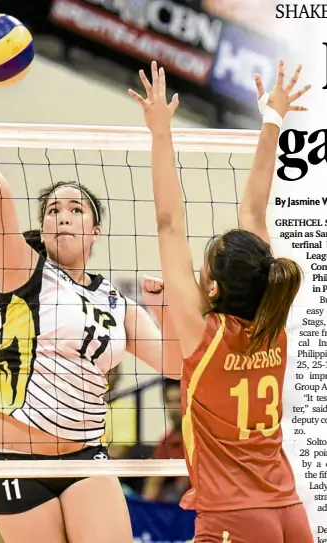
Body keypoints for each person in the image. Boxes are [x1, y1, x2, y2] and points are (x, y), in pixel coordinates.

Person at [0, 113, 182, 543]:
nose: (62, 216)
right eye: (53, 210)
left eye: (76, 210)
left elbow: (174, 362)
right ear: (43, 227)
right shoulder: (23, 271)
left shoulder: (117, 302)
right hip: (12, 457)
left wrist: (165, 309)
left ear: (94, 231)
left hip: (84, 456)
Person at [129, 60, 314, 542]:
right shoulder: (273, 318)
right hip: (288, 510)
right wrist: (273, 119)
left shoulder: (206, 335)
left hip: (235, 518)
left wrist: (160, 132)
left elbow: (172, 222)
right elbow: (254, 208)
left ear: (212, 289)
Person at [142, 379, 190, 502]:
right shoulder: (166, 442)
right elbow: (153, 485)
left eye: (179, 401)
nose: (174, 408)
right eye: (170, 402)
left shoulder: (205, 438)